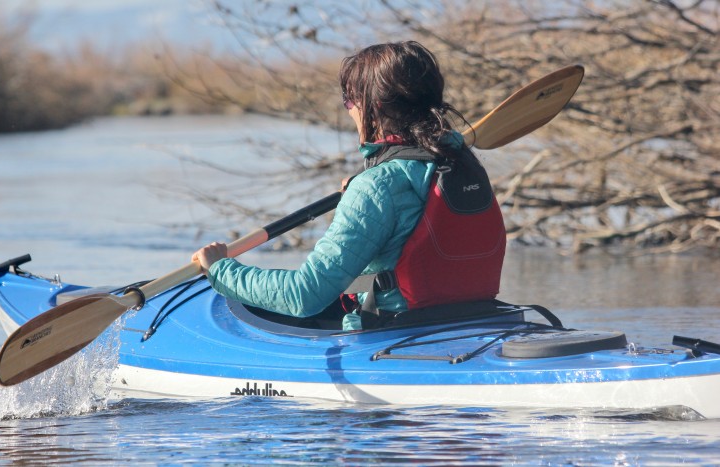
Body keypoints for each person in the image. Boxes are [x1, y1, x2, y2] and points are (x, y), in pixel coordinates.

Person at [192, 41, 505, 331]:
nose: (349, 108)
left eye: (349, 100)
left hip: (393, 334)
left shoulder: (376, 187)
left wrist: (221, 270)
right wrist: (364, 186)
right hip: (476, 322)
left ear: (374, 106)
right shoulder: (463, 162)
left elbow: (304, 295)